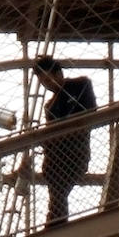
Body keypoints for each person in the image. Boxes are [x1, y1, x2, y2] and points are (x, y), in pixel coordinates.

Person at [33, 56, 97, 227]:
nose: (46, 84)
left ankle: (55, 221)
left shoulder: (80, 85)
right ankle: (57, 220)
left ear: (58, 73)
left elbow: (90, 111)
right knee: (55, 184)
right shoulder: (50, 106)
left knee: (57, 188)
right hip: (59, 158)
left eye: (47, 79)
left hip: (76, 152)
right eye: (42, 82)